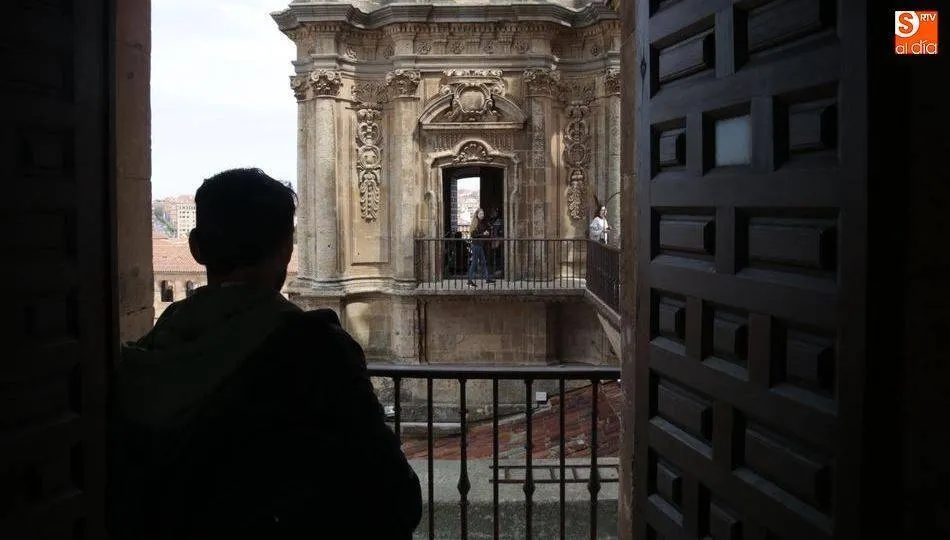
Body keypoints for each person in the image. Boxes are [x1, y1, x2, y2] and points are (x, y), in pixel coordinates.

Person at [107, 168, 422, 540]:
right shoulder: (317, 350)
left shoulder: (145, 357)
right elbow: (394, 496)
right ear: (287, 250)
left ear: (196, 248)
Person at [467, 207, 495, 287]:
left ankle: (487, 278)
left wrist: (486, 233)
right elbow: (473, 235)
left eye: (483, 213)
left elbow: (481, 233)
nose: (483, 215)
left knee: (483, 262)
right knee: (474, 263)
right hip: (476, 245)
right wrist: (483, 234)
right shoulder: (476, 223)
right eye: (481, 214)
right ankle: (470, 281)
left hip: (479, 245)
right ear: (477, 214)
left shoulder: (481, 222)